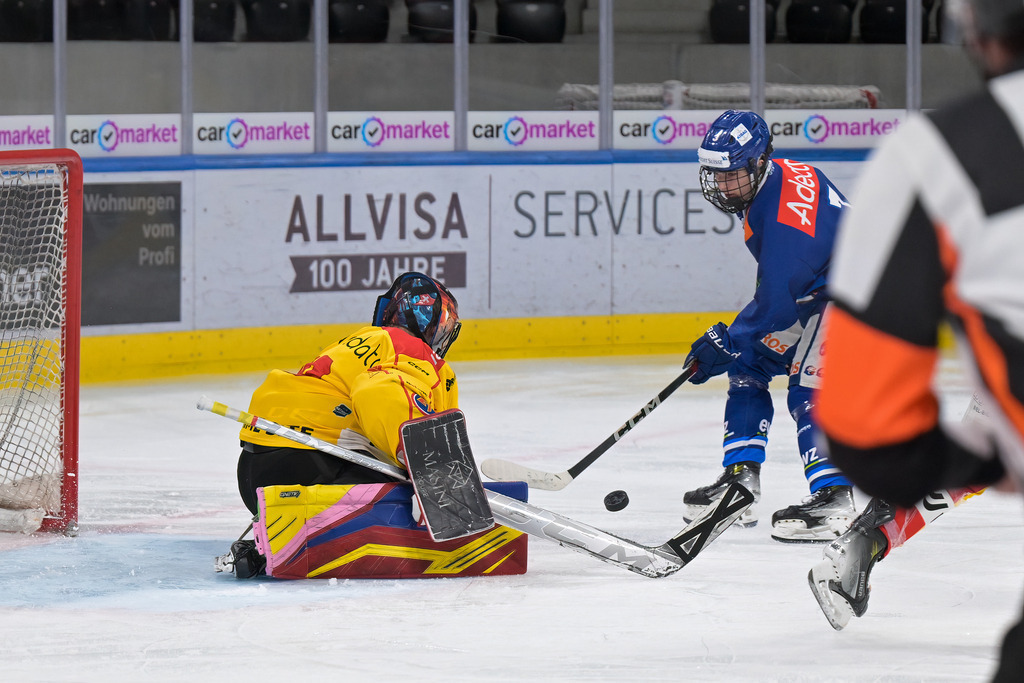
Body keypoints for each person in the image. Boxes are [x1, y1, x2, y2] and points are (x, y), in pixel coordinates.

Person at [810, 0, 1023, 676]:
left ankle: (873, 537)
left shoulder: (939, 154)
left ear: (980, 36)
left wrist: (984, 464)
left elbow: (867, 426)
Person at [682, 109, 856, 543]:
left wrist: (727, 338)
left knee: (808, 384)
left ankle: (836, 500)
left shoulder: (784, 222)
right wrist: (737, 346)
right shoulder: (775, 176)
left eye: (732, 175)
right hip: (824, 290)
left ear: (759, 162)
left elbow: (778, 299)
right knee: (748, 364)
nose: (722, 185)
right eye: (715, 174)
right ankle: (740, 484)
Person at [221, 271, 462, 576]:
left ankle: (273, 543)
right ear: (432, 325)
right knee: (405, 492)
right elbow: (380, 392)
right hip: (310, 467)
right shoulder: (412, 348)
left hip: (255, 475)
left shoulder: (357, 340)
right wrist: (427, 470)